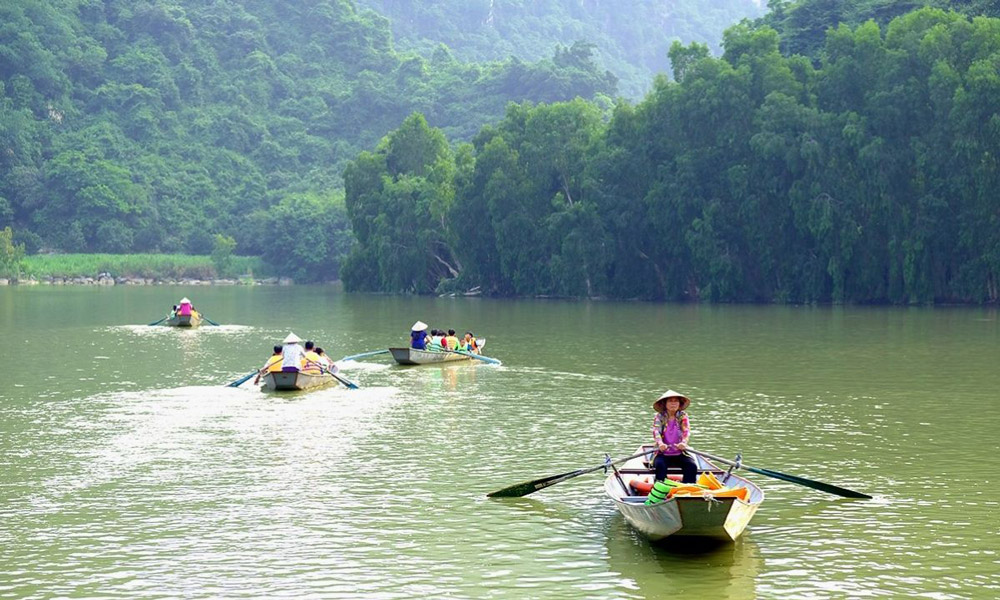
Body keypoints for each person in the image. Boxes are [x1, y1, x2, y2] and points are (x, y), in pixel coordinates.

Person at [650, 390, 698, 484]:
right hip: (662, 453)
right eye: (670, 401)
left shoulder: (682, 416)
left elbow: (686, 430)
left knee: (692, 466)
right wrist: (660, 444)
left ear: (679, 404)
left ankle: (687, 490)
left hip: (679, 452)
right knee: (660, 466)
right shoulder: (659, 416)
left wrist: (683, 443)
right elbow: (656, 431)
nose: (673, 403)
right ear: (665, 404)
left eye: (676, 401)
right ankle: (660, 491)